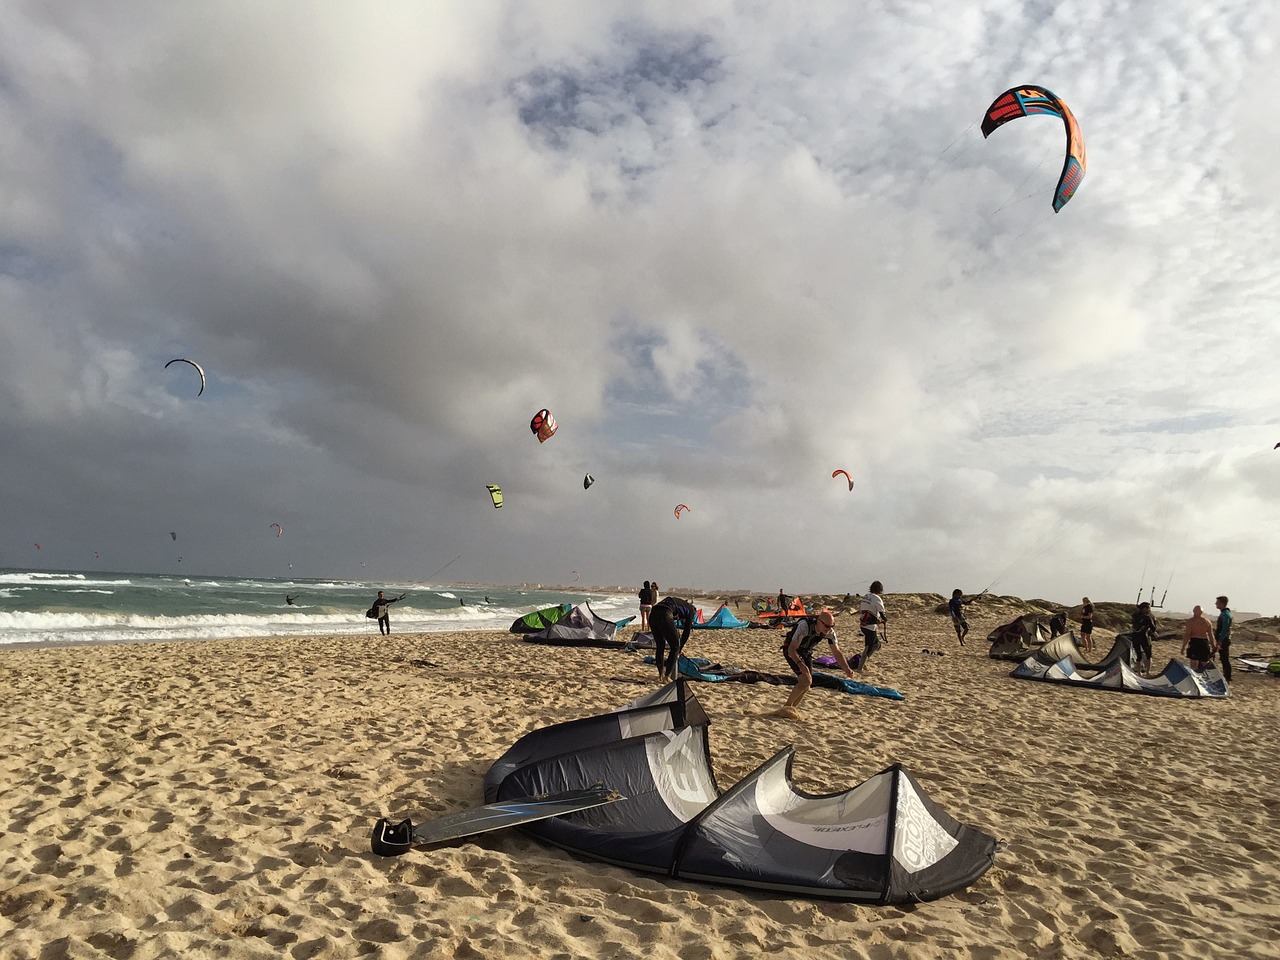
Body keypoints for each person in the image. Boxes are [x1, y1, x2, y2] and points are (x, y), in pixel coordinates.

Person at [779, 610, 856, 709]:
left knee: (808, 683)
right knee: (805, 680)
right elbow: (791, 649)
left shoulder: (830, 632)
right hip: (792, 650)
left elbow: (836, 652)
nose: (829, 629)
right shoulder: (804, 626)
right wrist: (800, 664)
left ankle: (792, 708)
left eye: (832, 626)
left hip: (806, 652)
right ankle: (787, 707)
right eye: (827, 626)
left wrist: (847, 669)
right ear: (819, 622)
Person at [649, 594, 695, 681]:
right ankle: (666, 676)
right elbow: (686, 632)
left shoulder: (679, 603)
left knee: (660, 645)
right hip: (665, 613)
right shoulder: (691, 610)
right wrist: (679, 649)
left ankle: (660, 675)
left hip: (653, 614)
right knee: (675, 647)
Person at [857, 581, 887, 668]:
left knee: (877, 644)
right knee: (868, 648)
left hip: (863, 625)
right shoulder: (877, 598)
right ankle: (860, 667)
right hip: (870, 627)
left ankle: (863, 662)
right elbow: (882, 614)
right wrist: (884, 620)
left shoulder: (865, 597)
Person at [1181, 605, 1215, 672]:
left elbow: (1187, 634)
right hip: (1203, 642)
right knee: (1203, 662)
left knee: (1198, 663)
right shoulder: (1207, 622)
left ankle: (1202, 676)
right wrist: (1213, 645)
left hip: (1196, 642)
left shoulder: (1191, 622)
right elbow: (1211, 635)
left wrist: (1183, 647)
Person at [1131, 601, 1157, 676]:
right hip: (1143, 637)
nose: (1150, 610)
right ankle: (1147, 673)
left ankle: (1139, 673)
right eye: (1148, 608)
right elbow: (1154, 629)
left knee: (1138, 655)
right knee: (1148, 655)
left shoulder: (1134, 615)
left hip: (1135, 637)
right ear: (1144, 609)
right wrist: (1153, 620)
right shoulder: (1147, 617)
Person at [1214, 595, 1233, 682]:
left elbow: (1224, 629)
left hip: (1224, 640)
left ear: (1222, 603)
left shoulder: (1225, 615)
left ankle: (1227, 677)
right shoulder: (1223, 613)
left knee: (1225, 659)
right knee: (1223, 658)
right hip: (1221, 639)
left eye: (1217, 603)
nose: (1215, 604)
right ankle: (1226, 676)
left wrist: (1220, 641)